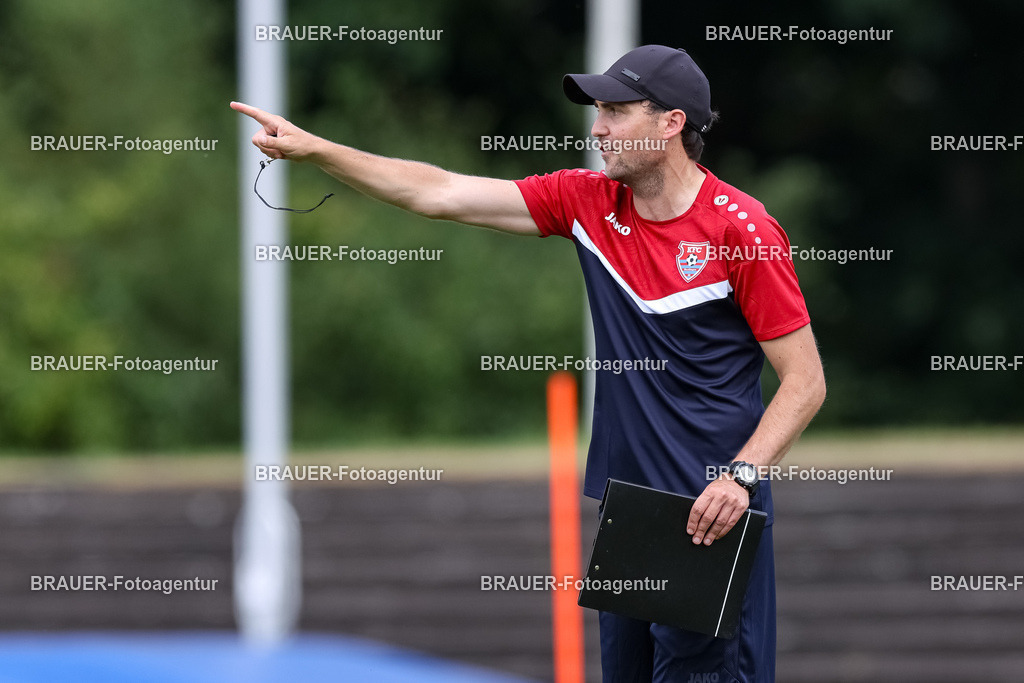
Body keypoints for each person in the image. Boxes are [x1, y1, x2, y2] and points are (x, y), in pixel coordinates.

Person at [232, 43, 825, 683]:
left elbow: (805, 382)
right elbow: (439, 193)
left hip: (710, 515)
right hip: (629, 514)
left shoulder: (743, 230)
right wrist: (317, 149)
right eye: (598, 112)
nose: (598, 129)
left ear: (671, 123)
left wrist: (739, 478)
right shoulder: (587, 202)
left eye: (616, 112)